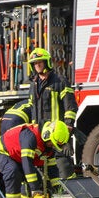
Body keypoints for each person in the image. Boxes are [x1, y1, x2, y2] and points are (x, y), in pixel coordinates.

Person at [0, 120, 71, 198]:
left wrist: (58, 191)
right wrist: (35, 190)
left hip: (18, 157)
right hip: (0, 152)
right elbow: (27, 163)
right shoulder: (30, 136)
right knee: (13, 170)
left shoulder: (48, 146)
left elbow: (52, 170)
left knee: (38, 181)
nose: (52, 146)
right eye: (51, 143)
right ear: (46, 135)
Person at [27, 48, 77, 179]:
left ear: (46, 63)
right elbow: (32, 109)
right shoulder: (33, 85)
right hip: (41, 135)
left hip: (58, 133)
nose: (37, 65)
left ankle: (68, 197)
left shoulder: (60, 82)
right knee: (45, 172)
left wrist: (68, 126)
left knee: (64, 168)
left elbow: (70, 107)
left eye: (40, 62)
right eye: (35, 63)